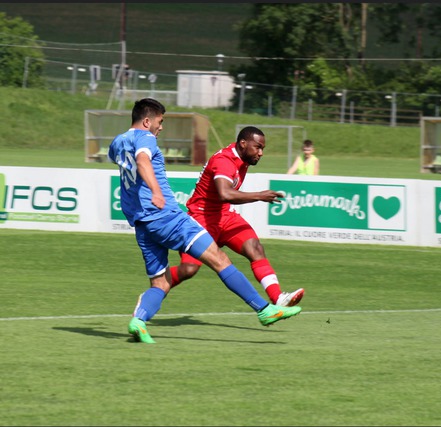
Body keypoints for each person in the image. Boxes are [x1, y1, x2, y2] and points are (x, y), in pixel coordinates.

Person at [108, 99, 301, 344]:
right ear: (147, 121)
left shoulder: (117, 143)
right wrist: (156, 191)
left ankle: (139, 321)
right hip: (168, 217)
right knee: (219, 259)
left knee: (160, 281)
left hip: (142, 224)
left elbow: (124, 163)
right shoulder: (146, 138)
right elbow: (143, 161)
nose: (161, 127)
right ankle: (264, 310)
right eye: (160, 122)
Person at [168, 126, 305, 307]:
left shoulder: (243, 158)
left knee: (255, 248)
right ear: (243, 143)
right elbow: (225, 193)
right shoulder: (224, 161)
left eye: (262, 148)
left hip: (224, 215)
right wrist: (259, 195)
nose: (261, 152)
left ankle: (278, 298)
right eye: (257, 147)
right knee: (189, 269)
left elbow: (224, 199)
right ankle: (159, 282)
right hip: (202, 219)